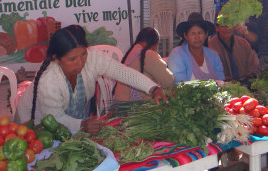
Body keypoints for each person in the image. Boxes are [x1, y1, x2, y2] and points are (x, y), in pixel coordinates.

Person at [16, 25, 167, 134]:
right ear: (56, 59)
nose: (80, 62)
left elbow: (122, 72)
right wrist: (81, 125)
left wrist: (153, 88)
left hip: (70, 124)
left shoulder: (92, 58)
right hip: (34, 124)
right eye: (72, 59)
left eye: (83, 54)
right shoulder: (48, 80)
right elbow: (54, 119)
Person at [114, 27, 174, 102]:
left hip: (118, 101)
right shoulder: (149, 54)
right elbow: (168, 81)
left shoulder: (133, 52)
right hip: (131, 107)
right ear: (156, 43)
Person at [167, 13, 225, 84]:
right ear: (186, 36)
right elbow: (180, 84)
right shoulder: (177, 54)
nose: (197, 37)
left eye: (200, 33)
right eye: (193, 33)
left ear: (206, 34)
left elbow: (222, 81)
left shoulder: (214, 55)